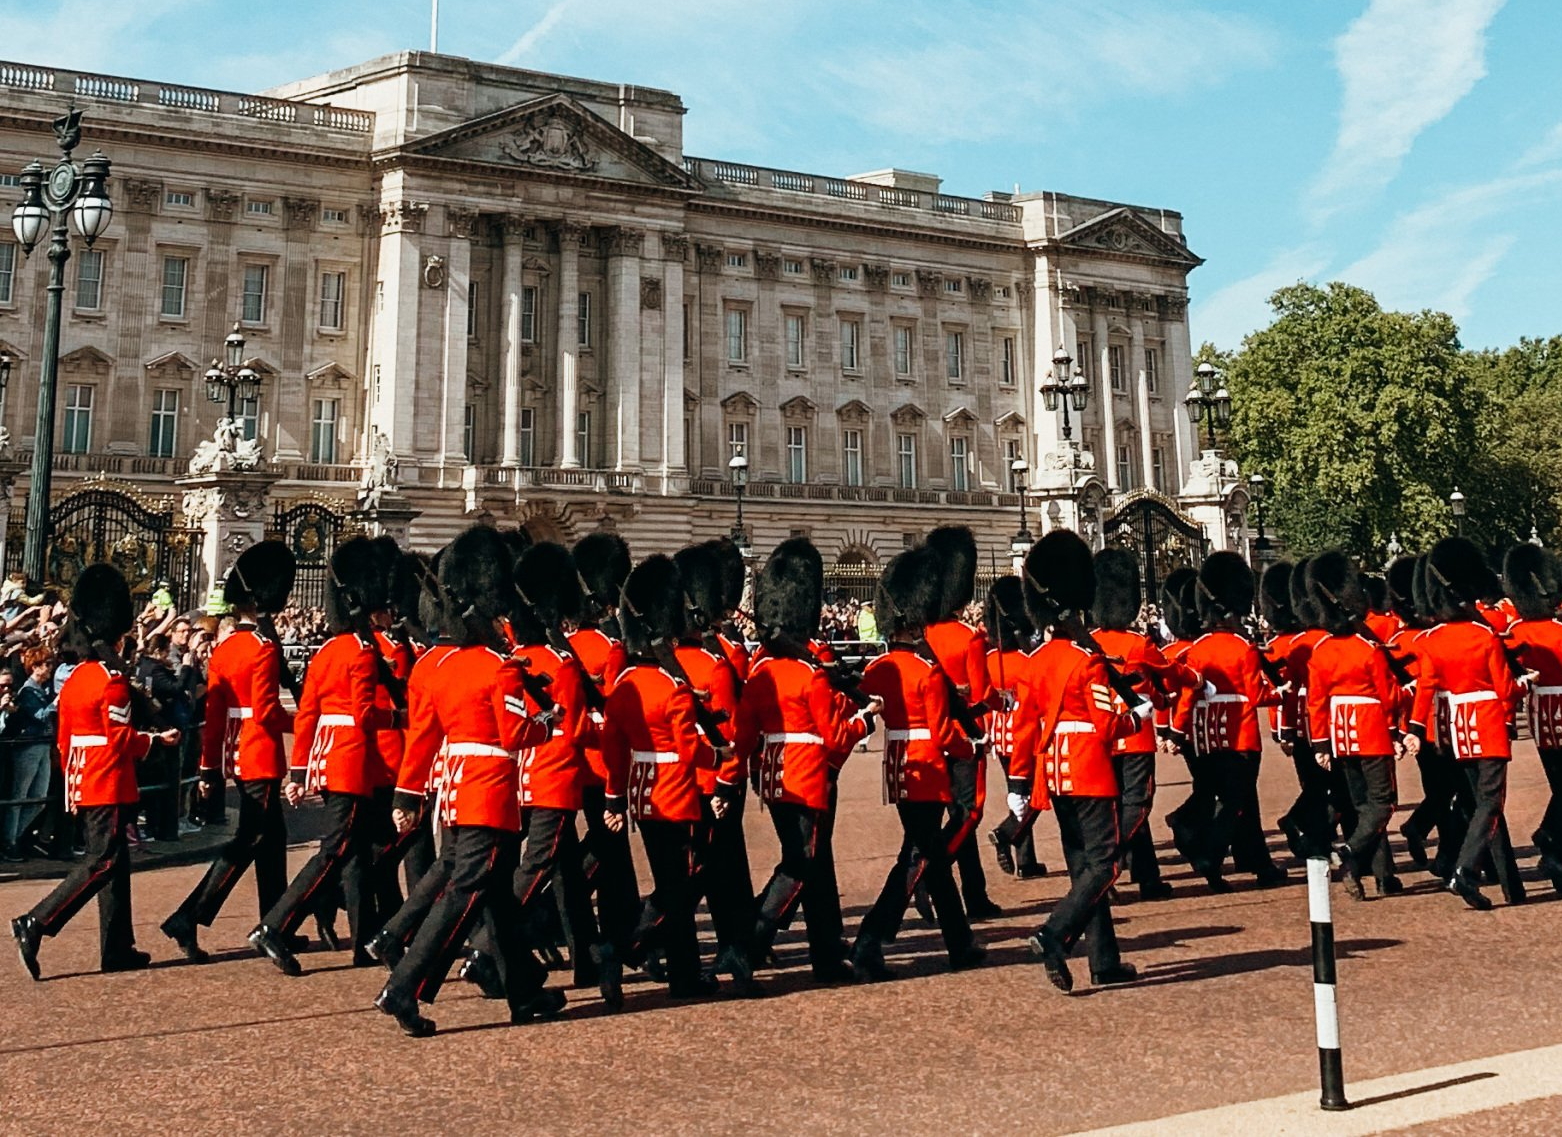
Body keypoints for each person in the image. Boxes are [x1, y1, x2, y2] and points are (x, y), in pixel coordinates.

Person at [374, 525, 561, 1037]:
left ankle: (523, 990)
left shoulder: (443, 667)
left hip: (452, 789)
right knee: (465, 890)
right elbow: (515, 733)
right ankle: (403, 987)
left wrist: (407, 794)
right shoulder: (499, 669)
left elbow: (422, 738)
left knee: (497, 898)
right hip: (487, 791)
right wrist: (550, 720)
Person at [12, 564, 179, 979]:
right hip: (108, 780)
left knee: (116, 864)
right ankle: (37, 921)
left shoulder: (77, 677)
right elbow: (120, 739)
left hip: (84, 777)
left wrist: (72, 780)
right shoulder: (111, 680)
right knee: (102, 861)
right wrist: (157, 741)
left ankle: (117, 947)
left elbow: (65, 740)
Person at [248, 536, 402, 975]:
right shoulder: (360, 653)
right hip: (352, 759)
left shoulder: (327, 650)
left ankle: (368, 939)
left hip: (330, 757)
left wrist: (298, 771)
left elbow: (308, 713)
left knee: (363, 851)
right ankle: (275, 924)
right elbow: (366, 715)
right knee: (335, 850)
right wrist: (402, 719)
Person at [1015, 531, 1149, 993]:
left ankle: (1104, 960)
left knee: (1083, 868)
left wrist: (1018, 784)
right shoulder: (1086, 661)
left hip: (1053, 772)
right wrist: (1138, 716)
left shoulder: (1035, 661)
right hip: (1089, 768)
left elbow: (1024, 727)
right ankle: (1053, 934)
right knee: (1106, 864)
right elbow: (1107, 726)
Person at [739, 538, 875, 983]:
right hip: (809, 778)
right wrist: (865, 721)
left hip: (774, 781)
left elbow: (745, 738)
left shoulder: (759, 671)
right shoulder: (809, 675)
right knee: (800, 866)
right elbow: (834, 739)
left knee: (812, 866)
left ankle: (825, 953)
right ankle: (749, 942)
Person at [850, 544, 984, 981]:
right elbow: (943, 733)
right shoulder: (925, 672)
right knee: (918, 857)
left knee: (931, 858)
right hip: (926, 766)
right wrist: (972, 748)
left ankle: (960, 944)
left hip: (897, 764)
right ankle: (871, 937)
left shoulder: (879, 668)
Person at [161, 541, 297, 961]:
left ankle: (277, 924)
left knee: (272, 842)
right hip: (260, 754)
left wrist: (209, 769)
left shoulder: (224, 649)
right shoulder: (263, 649)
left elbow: (215, 719)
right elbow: (270, 713)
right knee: (250, 842)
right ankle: (188, 916)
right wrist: (308, 718)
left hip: (236, 755)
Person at [601, 555, 722, 999]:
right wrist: (719, 755)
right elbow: (690, 749)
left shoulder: (624, 683)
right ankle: (626, 953)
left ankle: (676, 971)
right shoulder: (673, 689)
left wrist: (615, 798)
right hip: (675, 792)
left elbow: (614, 750)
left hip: (640, 792)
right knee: (679, 888)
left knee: (672, 883)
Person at [1408, 537, 1524, 909]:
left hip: (1457, 728)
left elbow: (1426, 687)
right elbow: (1504, 689)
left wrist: (1415, 729)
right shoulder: (1485, 637)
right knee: (1490, 803)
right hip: (1487, 723)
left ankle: (1510, 884)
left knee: (1480, 804)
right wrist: (1525, 684)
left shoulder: (1430, 640)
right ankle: (1465, 871)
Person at [672, 539, 761, 989]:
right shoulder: (716, 664)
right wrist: (728, 782)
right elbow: (731, 734)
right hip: (712, 782)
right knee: (716, 872)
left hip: (679, 780)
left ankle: (729, 947)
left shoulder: (671, 663)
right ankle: (733, 951)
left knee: (708, 869)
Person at [1091, 547, 1198, 901]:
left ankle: (1147, 876)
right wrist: (1194, 679)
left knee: (1116, 804)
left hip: (1104, 733)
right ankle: (1108, 863)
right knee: (1137, 804)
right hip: (1135, 735)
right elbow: (1170, 670)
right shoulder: (1138, 644)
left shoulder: (1090, 644)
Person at [1175, 552, 1285, 891]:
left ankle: (1259, 863)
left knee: (1237, 799)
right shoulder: (1243, 648)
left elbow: (1188, 692)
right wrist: (1283, 693)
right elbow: (1256, 693)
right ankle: (1209, 853)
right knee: (1235, 803)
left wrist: (1179, 729)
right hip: (1240, 734)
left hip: (1207, 733)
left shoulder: (1198, 647)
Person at [1303, 552, 1407, 900]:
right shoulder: (1369, 650)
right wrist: (1396, 730)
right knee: (1384, 803)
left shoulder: (1321, 651)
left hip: (1339, 733)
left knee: (1363, 807)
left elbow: (1315, 701)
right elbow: (1388, 696)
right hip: (1371, 729)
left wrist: (1320, 744)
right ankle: (1349, 853)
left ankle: (1382, 876)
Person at [568, 531, 641, 968]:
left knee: (594, 847)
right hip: (600, 759)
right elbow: (613, 712)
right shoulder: (609, 649)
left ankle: (588, 939)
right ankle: (622, 929)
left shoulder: (569, 647)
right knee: (610, 849)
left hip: (568, 758)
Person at [921, 526, 1000, 920]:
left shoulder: (924, 635)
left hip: (933, 735)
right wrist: (1004, 701)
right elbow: (983, 694)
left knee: (952, 815)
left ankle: (976, 896)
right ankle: (928, 874)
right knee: (969, 814)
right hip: (967, 733)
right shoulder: (970, 638)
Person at [1503, 543, 1562, 891]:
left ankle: (1552, 848)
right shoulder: (1557, 630)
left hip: (1539, 715)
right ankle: (1550, 839)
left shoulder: (1514, 633)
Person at [984, 576, 1045, 880]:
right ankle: (1005, 832)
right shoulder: (1027, 661)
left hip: (999, 736)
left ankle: (1027, 861)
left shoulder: (990, 659)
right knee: (1035, 795)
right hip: (1026, 736)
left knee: (1017, 794)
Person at [2, 647, 57, 862]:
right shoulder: (27, 691)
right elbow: (40, 716)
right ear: (35, 667)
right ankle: (10, 842)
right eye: (47, 665)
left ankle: (16, 835)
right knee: (19, 796)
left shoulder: (42, 689)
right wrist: (56, 703)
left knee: (39, 799)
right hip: (29, 746)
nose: (50, 669)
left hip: (43, 745)